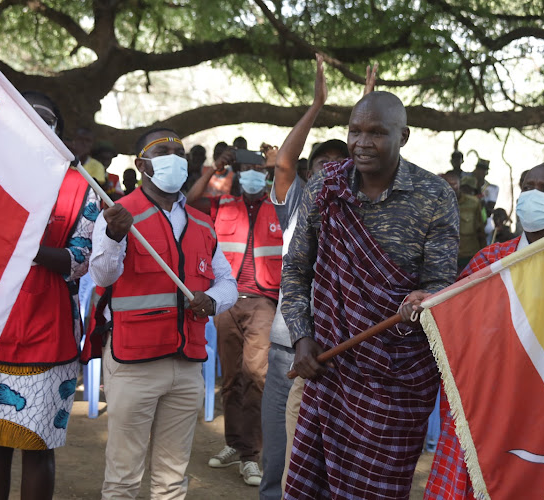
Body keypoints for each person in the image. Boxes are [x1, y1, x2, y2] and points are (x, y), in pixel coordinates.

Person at [282, 90, 460, 499]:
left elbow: (439, 285)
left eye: (376, 132)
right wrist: (301, 336)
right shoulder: (325, 187)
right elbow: (295, 268)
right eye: (355, 131)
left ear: (405, 136)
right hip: (326, 369)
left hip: (396, 380)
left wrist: (423, 300)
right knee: (312, 484)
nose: (362, 143)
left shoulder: (433, 196)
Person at [0, 91, 100, 500]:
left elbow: (80, 261)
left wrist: (27, 247)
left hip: (48, 331)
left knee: (38, 447)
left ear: (58, 134)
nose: (36, 126)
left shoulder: (80, 187)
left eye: (45, 120)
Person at [88, 128, 238, 499]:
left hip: (187, 365)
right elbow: (102, 275)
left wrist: (212, 300)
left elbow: (228, 283)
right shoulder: (119, 214)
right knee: (123, 477)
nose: (174, 157)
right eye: (163, 151)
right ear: (142, 165)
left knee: (172, 479)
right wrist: (114, 236)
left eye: (179, 151)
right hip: (134, 362)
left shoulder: (203, 223)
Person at [422, 161, 544, 500]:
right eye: (528, 187)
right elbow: (453, 322)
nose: (532, 196)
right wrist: (428, 305)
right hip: (488, 408)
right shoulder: (490, 261)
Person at [259, 53, 351, 500]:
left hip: (343, 346)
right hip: (287, 346)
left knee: (331, 458)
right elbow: (285, 162)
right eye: (322, 164)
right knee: (280, 457)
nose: (330, 170)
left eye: (340, 162)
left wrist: (367, 102)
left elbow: (373, 144)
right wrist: (317, 104)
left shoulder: (358, 207)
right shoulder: (297, 200)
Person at [188, 149, 284, 487]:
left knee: (256, 376)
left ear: (268, 173)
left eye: (261, 169)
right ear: (238, 174)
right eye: (248, 169)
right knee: (231, 379)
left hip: (262, 301)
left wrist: (278, 163)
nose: (254, 174)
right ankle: (235, 444)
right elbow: (189, 200)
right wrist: (215, 169)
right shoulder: (222, 206)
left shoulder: (279, 208)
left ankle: (250, 456)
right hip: (227, 300)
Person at [442, 170, 486, 272]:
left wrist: (483, 257)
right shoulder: (436, 203)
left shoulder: (473, 203)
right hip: (445, 258)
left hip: (468, 257)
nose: (451, 187)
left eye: (454, 184)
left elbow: (481, 231)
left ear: (459, 184)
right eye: (448, 184)